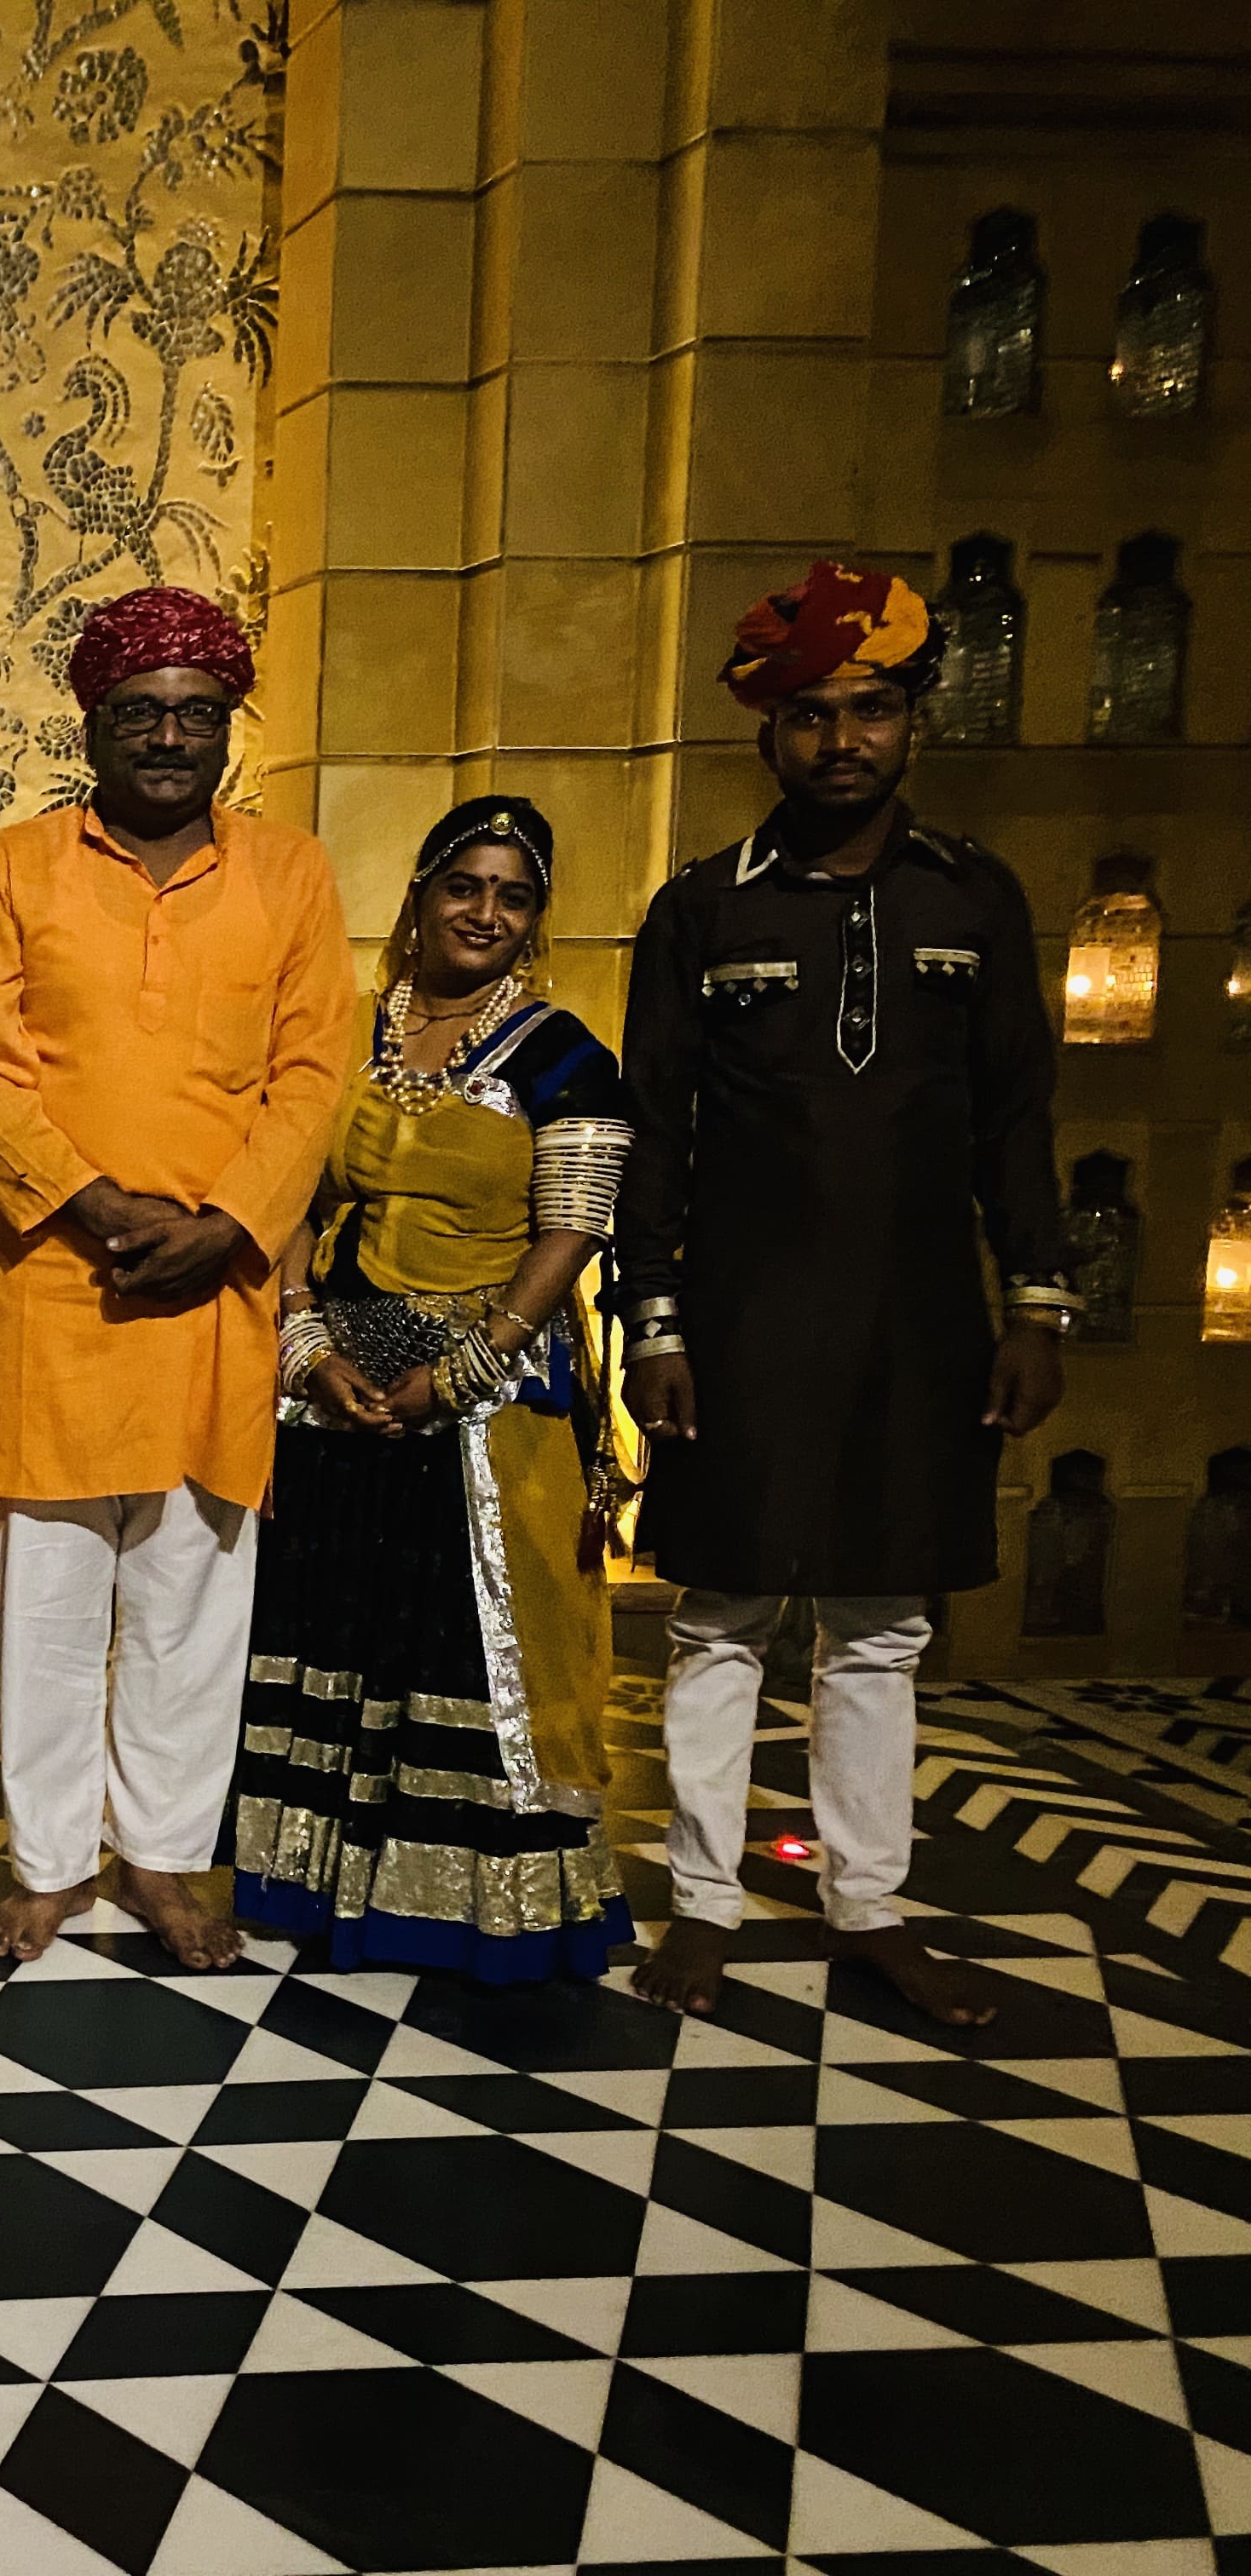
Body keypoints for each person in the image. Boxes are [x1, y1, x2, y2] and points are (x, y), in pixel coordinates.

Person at [616, 561, 1074, 2027]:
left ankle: (867, 1901)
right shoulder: (700, 911)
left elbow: (1017, 1119)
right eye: (810, 716)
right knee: (723, 1610)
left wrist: (1036, 1305)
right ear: (769, 735)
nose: (842, 743)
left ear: (916, 723)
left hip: (921, 1321)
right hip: (742, 1322)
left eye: (871, 712)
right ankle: (700, 1901)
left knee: (882, 1622)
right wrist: (657, 1319)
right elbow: (654, 1130)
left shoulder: (977, 898)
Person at [0, 584, 356, 1969]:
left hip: (216, 1292)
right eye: (141, 714)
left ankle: (169, 1860)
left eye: (197, 714)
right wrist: (97, 1204)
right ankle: (54, 1862)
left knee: (190, 1592)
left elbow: (313, 1072)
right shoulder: (17, 865)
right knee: (50, 1599)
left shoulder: (291, 874)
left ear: (231, 726)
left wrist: (231, 1223)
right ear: (93, 725)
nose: (170, 738)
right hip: (60, 1282)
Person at [232, 796, 635, 1981]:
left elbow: (572, 1229)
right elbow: (297, 1195)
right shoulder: (343, 1034)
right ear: (417, 896)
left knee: (463, 1651)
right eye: (464, 886)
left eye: (513, 896)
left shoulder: (565, 1055)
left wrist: (466, 1366)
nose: (486, 913)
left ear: (536, 920)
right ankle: (314, 1883)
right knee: (337, 1632)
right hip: (339, 1388)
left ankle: (466, 1906)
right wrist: (304, 1336)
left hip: (482, 1401)